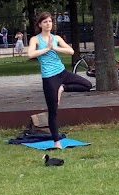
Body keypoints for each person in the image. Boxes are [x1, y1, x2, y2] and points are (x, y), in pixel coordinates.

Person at [28, 11, 92, 148]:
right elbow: (30, 54)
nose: (48, 24)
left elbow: (71, 51)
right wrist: (46, 49)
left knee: (87, 84)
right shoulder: (35, 39)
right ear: (40, 24)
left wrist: (55, 47)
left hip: (62, 73)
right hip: (49, 78)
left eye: (50, 21)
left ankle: (63, 88)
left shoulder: (56, 38)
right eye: (45, 22)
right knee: (53, 110)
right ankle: (56, 141)